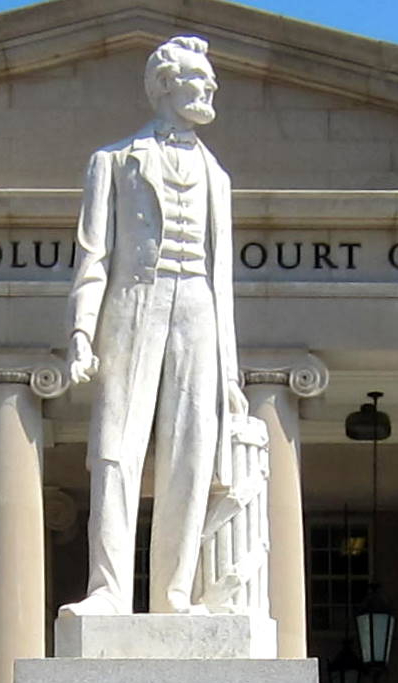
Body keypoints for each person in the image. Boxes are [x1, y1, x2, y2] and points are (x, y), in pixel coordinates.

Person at [66, 36, 266, 616]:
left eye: (210, 82)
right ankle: (109, 590)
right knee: (114, 450)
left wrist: (230, 373)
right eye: (198, 80)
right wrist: (81, 332)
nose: (209, 90)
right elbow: (93, 256)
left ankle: (175, 594)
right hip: (133, 305)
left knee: (191, 455)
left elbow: (222, 279)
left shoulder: (217, 175)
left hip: (198, 310)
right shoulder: (113, 161)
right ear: (165, 86)